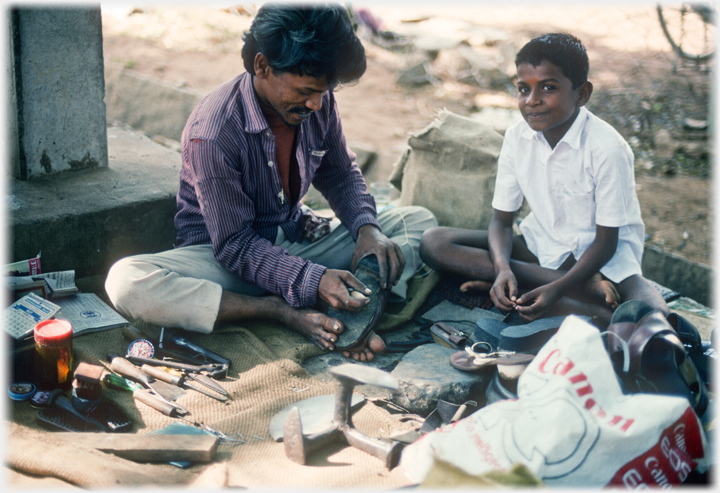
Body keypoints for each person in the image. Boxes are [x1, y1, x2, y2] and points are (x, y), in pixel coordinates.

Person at [105, 3, 437, 361]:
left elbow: (339, 173)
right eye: (306, 90)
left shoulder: (317, 102)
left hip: (293, 237)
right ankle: (281, 311)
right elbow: (234, 245)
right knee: (126, 282)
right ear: (262, 66)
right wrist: (314, 280)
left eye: (325, 91)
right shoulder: (213, 132)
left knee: (415, 221)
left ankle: (351, 313)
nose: (316, 102)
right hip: (224, 261)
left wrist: (367, 228)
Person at [420, 33, 668, 328]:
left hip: (603, 262)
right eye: (523, 89)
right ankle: (580, 295)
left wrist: (557, 287)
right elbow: (500, 222)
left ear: (582, 94)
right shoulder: (517, 137)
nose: (532, 101)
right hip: (542, 248)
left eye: (548, 88)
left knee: (653, 315)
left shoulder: (607, 149)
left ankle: (561, 293)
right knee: (434, 242)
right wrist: (501, 270)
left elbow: (605, 243)